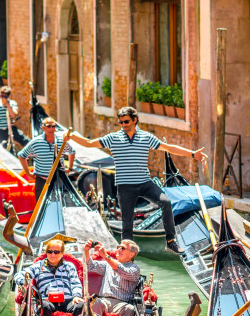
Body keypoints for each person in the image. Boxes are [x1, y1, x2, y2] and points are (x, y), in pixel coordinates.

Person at [70, 106, 207, 254]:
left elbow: (168, 148)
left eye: (126, 121)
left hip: (144, 183)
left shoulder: (146, 137)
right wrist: (70, 136)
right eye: (121, 122)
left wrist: (193, 154)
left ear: (135, 120)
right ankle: (126, 253)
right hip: (125, 186)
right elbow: (88, 143)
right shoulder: (113, 138)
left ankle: (170, 241)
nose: (123, 125)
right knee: (127, 225)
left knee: (166, 202)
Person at [14, 239, 83, 316]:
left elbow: (75, 283)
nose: (52, 255)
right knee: (45, 306)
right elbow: (18, 275)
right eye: (50, 252)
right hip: (48, 302)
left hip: (68, 301)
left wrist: (76, 296)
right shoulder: (38, 266)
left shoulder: (69, 266)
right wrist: (24, 282)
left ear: (62, 253)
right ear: (46, 252)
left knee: (80, 305)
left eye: (56, 252)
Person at [19, 116, 76, 199]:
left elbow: (72, 152)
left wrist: (70, 168)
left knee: (59, 207)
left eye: (53, 126)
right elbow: (21, 155)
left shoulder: (61, 141)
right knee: (41, 208)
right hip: (42, 182)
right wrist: (27, 173)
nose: (51, 128)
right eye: (48, 126)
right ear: (43, 127)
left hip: (58, 181)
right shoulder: (36, 142)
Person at [84, 239, 141, 316]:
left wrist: (105, 255)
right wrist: (86, 251)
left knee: (130, 308)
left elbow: (121, 270)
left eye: (123, 248)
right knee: (96, 302)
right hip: (104, 301)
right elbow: (90, 265)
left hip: (122, 303)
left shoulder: (135, 268)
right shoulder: (108, 264)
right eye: (118, 247)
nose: (118, 250)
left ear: (131, 254)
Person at [0, 86, 30, 150]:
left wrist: (8, 105)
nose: (3, 98)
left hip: (10, 129)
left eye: (5, 97)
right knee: (0, 148)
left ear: (9, 96)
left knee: (25, 140)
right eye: (2, 96)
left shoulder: (12, 103)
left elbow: (13, 115)